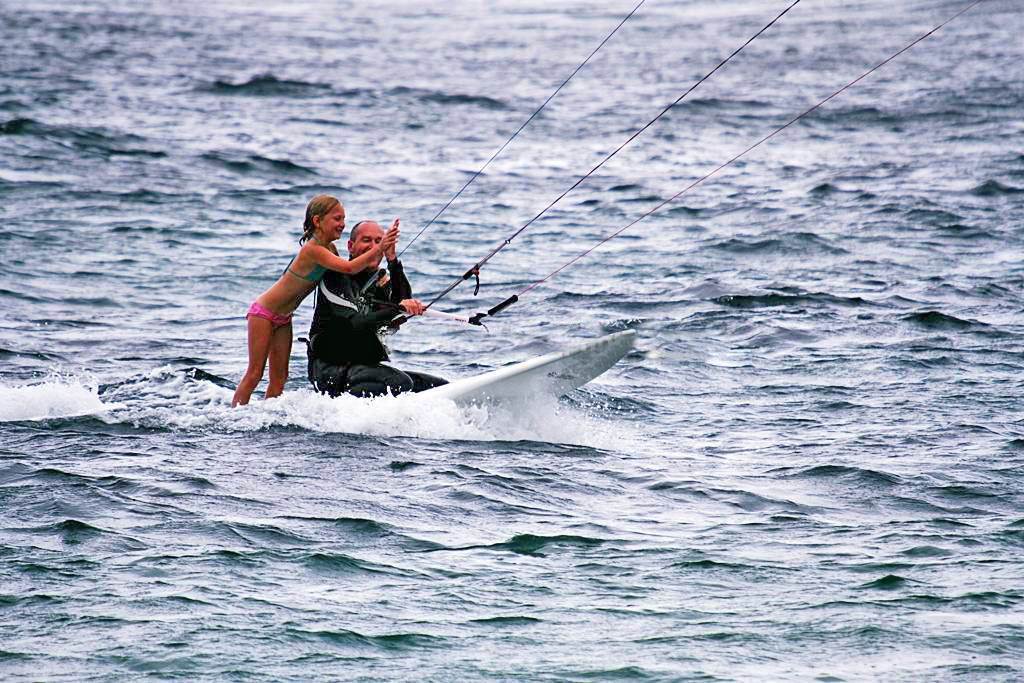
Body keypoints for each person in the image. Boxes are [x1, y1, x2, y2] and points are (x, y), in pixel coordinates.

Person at [231, 196, 398, 407]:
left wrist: (381, 282)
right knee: (255, 373)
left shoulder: (330, 249)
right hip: (263, 314)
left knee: (280, 377)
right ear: (317, 221)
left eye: (344, 219)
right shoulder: (313, 250)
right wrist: (381, 246)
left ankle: (266, 414)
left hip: (284, 318)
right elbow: (349, 268)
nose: (342, 224)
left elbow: (348, 275)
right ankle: (235, 415)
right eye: (337, 218)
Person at [306, 219, 447, 397]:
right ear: (350, 246)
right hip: (330, 371)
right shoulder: (335, 277)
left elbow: (402, 302)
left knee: (439, 387)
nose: (374, 247)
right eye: (366, 240)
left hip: (362, 367)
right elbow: (355, 323)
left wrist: (392, 259)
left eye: (379, 242)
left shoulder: (379, 281)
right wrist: (397, 308)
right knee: (401, 383)